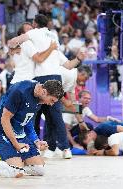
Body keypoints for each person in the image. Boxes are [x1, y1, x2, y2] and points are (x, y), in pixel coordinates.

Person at [9, 14, 87, 159]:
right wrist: (79, 58)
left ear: (34, 23)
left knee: (35, 115)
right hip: (56, 78)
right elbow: (69, 65)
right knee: (54, 116)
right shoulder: (53, 38)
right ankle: (63, 148)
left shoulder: (33, 34)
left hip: (40, 79)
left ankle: (35, 147)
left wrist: (13, 43)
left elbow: (16, 43)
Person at [36, 65, 93, 151]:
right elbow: (54, 88)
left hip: (47, 92)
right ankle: (64, 148)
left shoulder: (72, 82)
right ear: (81, 74)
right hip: (41, 88)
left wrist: (81, 121)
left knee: (50, 119)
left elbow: (73, 104)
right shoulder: (69, 74)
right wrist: (65, 101)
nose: (85, 81)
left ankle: (48, 147)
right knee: (55, 119)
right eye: (86, 78)